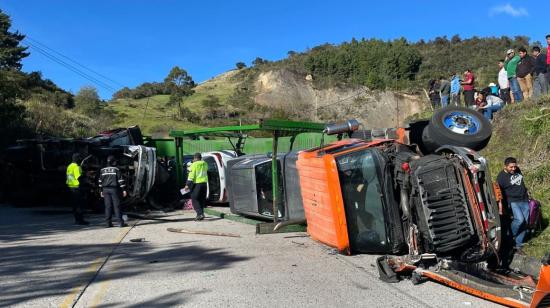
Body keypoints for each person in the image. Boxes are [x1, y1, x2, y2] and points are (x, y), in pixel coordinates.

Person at [497, 157, 530, 254]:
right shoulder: (501, 177)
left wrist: (527, 193)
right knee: (519, 220)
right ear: (505, 166)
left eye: (515, 167)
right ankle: (509, 236)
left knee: (525, 223)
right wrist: (501, 206)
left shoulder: (517, 170)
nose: (513, 169)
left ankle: (518, 245)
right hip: (513, 201)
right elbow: (499, 193)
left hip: (524, 199)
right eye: (511, 167)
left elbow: (521, 184)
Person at [99, 155, 128, 227]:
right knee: (117, 206)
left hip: (105, 190)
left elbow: (100, 181)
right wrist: (124, 189)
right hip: (114, 190)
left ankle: (108, 223)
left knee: (108, 206)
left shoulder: (102, 170)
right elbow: (120, 180)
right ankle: (120, 223)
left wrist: (101, 190)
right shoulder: (116, 169)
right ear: (113, 162)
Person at [184, 153, 208, 221]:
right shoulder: (205, 163)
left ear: (195, 158)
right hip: (204, 184)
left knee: (194, 199)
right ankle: (201, 214)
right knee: (201, 199)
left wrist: (187, 185)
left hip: (197, 184)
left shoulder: (194, 165)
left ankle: (199, 214)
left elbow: (191, 176)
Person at [66, 153, 89, 225]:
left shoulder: (69, 166)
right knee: (80, 205)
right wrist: (85, 174)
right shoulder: (76, 166)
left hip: (71, 187)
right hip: (77, 188)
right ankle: (81, 220)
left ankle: (76, 219)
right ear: (77, 159)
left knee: (75, 205)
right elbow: (79, 177)